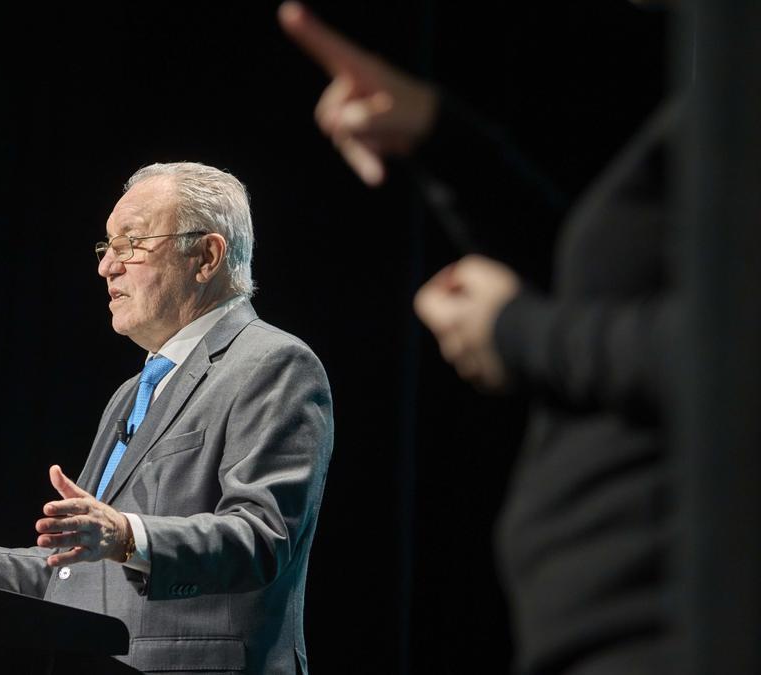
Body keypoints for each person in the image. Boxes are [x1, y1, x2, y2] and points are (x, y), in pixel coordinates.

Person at [280, 2, 674, 673]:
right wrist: (440, 139)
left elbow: (720, 355)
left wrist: (514, 332)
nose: (110, 262)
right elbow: (604, 302)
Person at [0, 161, 334, 675]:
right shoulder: (133, 392)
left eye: (130, 244)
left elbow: (262, 537)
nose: (107, 266)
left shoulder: (272, 364)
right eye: (106, 247)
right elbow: (68, 572)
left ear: (206, 256)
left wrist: (127, 536)